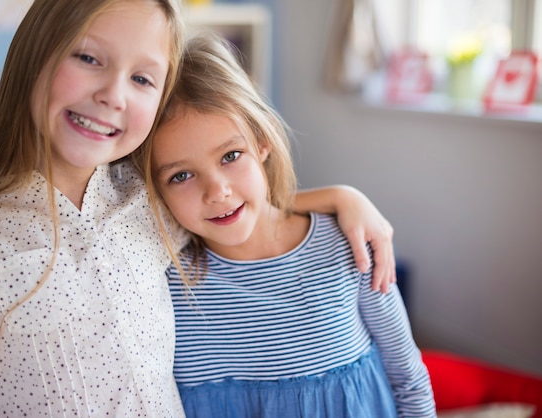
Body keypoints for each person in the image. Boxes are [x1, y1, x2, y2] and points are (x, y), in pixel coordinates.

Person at [0, 1, 398, 417]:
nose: (113, 94)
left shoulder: (150, 205)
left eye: (143, 78)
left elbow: (226, 206)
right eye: (88, 57)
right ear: (34, 55)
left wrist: (342, 198)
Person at [139, 33, 437, 417]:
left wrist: (344, 196)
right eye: (181, 176)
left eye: (230, 155)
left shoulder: (348, 244)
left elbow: (408, 378)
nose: (217, 191)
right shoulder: (164, 282)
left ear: (262, 141)